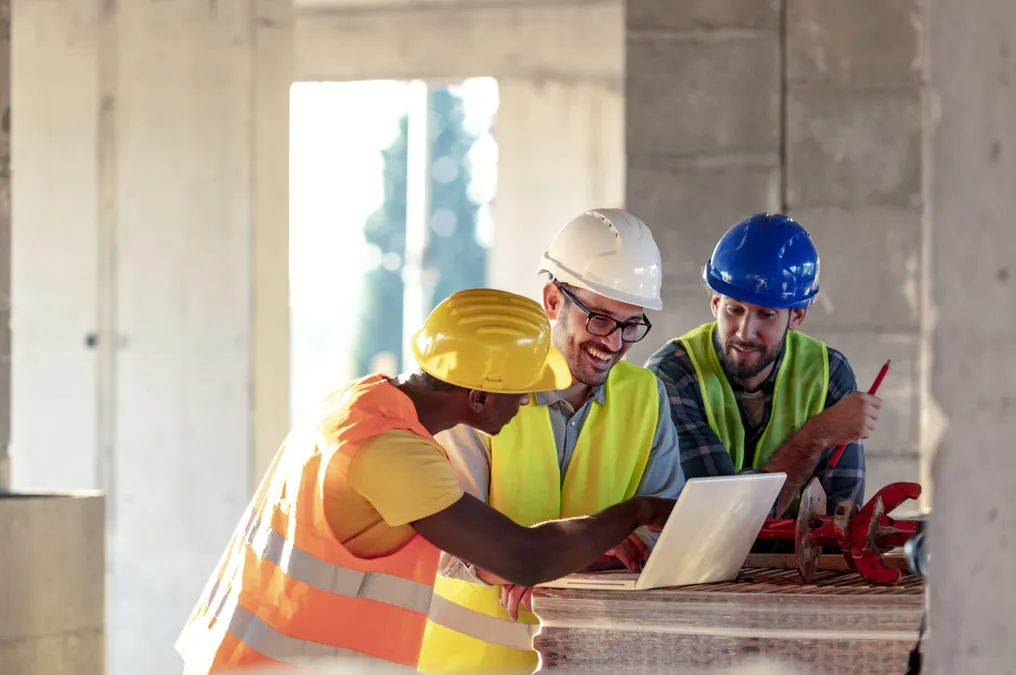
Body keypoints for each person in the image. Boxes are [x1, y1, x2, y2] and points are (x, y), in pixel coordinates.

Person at [174, 287, 676, 674]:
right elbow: (525, 558)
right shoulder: (391, 452)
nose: (527, 404)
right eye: (522, 393)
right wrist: (638, 511)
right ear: (479, 396)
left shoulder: (362, 404)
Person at [417, 209, 687, 675]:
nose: (615, 342)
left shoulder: (646, 395)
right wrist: (591, 550)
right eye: (600, 319)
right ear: (551, 300)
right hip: (473, 661)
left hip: (593, 659)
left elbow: (662, 536)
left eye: (631, 325)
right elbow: (455, 547)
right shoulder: (481, 384)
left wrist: (563, 563)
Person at [645, 212, 877, 525]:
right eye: (734, 309)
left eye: (765, 315)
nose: (744, 332)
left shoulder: (829, 374)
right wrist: (815, 437)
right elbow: (719, 521)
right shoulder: (673, 373)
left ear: (797, 316)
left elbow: (840, 525)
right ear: (715, 303)